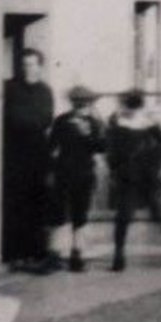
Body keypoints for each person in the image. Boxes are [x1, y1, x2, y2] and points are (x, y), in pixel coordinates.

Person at [106, 89, 161, 272]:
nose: (130, 109)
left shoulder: (129, 123)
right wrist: (152, 161)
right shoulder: (126, 122)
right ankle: (120, 255)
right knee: (135, 213)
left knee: (141, 212)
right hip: (134, 175)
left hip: (139, 175)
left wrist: (151, 161)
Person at [2, 49, 57, 270]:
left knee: (37, 205)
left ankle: (35, 252)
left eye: (32, 64)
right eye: (24, 64)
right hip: (15, 156)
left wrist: (28, 122)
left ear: (40, 67)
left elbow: (46, 119)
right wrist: (29, 122)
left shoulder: (45, 91)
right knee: (16, 205)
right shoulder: (11, 88)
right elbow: (12, 118)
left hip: (37, 156)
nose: (28, 69)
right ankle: (15, 254)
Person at [49, 85, 104, 273]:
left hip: (84, 174)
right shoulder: (61, 121)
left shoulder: (95, 123)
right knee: (59, 214)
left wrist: (87, 134)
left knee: (80, 215)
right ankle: (55, 253)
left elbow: (101, 147)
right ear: (72, 104)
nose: (82, 106)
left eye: (85, 103)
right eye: (78, 103)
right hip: (64, 173)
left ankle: (76, 253)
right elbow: (51, 147)